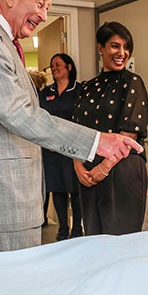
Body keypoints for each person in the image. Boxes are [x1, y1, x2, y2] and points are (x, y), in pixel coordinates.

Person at [0, 0, 142, 252]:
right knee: (14, 279)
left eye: (47, 7)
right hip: (2, 194)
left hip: (11, 191)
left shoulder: (1, 42)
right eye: (41, 4)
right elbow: (19, 114)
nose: (45, 15)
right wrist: (97, 142)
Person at [72, 21, 148, 235]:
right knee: (92, 238)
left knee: (120, 241)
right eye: (115, 46)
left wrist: (103, 169)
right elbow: (76, 131)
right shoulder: (87, 87)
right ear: (101, 48)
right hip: (88, 174)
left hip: (122, 170)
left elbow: (129, 133)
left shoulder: (133, 82)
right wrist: (78, 167)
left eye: (126, 47)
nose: (122, 53)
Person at [39, 53, 83, 240]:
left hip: (74, 148)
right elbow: (40, 118)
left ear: (69, 67)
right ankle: (63, 229)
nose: (54, 68)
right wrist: (47, 140)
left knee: (76, 189)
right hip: (53, 149)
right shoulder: (45, 93)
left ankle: (77, 229)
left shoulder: (80, 90)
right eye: (52, 65)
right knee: (57, 188)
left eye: (58, 64)